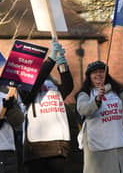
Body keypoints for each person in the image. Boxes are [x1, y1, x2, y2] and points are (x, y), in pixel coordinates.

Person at [75, 60, 123, 173]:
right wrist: (97, 100)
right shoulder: (85, 94)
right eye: (94, 72)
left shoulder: (115, 91)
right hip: (98, 147)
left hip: (118, 143)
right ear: (89, 76)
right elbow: (83, 109)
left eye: (101, 71)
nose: (98, 75)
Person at [18, 40, 73, 173]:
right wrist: (50, 61)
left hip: (58, 146)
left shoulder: (52, 85)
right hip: (36, 149)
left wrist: (62, 65)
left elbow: (68, 87)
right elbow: (33, 87)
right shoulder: (22, 86)